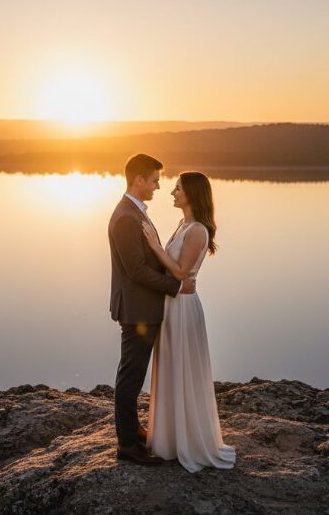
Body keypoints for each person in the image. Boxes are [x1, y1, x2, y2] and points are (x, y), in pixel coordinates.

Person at [142, 171, 236, 472]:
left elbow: (181, 272)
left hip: (183, 306)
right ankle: (169, 438)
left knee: (182, 366)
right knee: (171, 366)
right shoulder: (183, 224)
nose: (172, 192)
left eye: (178, 188)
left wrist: (155, 246)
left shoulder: (196, 230)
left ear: (192, 194)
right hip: (172, 304)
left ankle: (189, 440)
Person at [108, 153, 196, 465]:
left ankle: (133, 432)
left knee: (133, 375)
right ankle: (128, 446)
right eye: (155, 180)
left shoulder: (136, 213)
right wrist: (176, 286)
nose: (159, 186)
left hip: (143, 308)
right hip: (137, 311)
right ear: (138, 180)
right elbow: (135, 270)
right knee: (130, 378)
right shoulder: (126, 218)